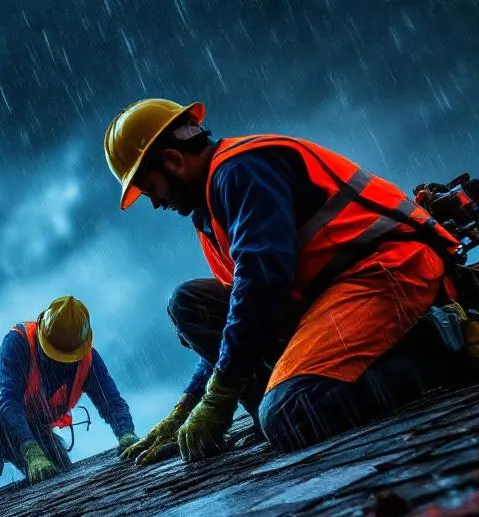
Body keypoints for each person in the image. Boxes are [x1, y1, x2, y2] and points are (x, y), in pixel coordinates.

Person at [104, 98, 470, 464]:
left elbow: (262, 282)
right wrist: (190, 405)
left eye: (150, 187)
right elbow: (239, 315)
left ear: (173, 161)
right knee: (189, 303)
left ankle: (439, 340)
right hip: (330, 292)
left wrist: (221, 393)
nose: (154, 203)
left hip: (387, 272)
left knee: (292, 416)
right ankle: (288, 399)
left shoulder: (241, 171)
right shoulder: (210, 208)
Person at [0, 296, 137, 507]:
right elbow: (9, 405)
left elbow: (111, 401)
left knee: (59, 476)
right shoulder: (18, 342)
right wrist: (31, 452)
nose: (59, 364)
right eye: (54, 356)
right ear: (42, 338)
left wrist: (126, 433)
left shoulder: (88, 360)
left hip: (32, 426)